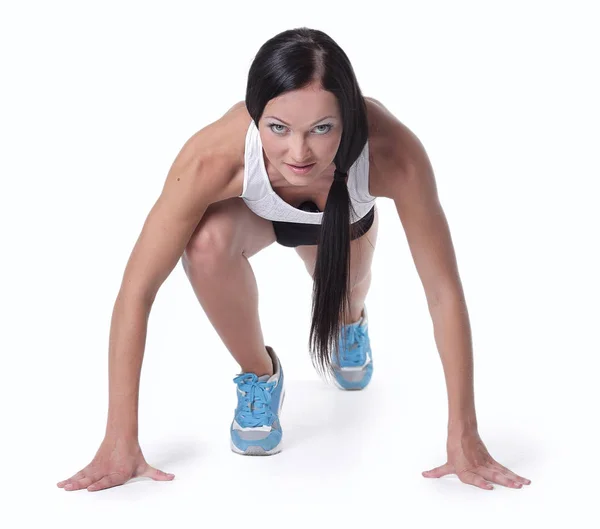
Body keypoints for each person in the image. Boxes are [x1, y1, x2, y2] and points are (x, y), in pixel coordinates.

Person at [57, 27, 531, 492]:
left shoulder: (392, 153)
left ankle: (350, 322)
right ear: (255, 116)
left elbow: (443, 293)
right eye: (278, 129)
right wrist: (120, 440)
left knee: (344, 302)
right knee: (204, 244)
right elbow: (137, 291)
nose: (298, 153)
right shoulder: (214, 157)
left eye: (322, 129)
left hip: (343, 224)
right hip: (257, 218)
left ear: (347, 117)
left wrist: (464, 435)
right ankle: (260, 377)